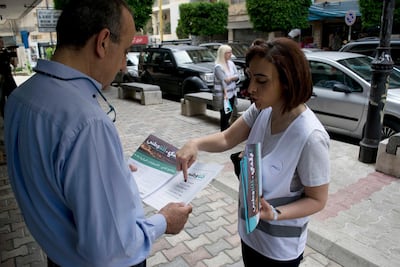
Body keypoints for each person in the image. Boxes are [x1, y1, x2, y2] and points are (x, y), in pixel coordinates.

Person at [4, 1, 192, 266]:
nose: (124, 66)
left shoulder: (20, 97)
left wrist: (105, 168)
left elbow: (52, 171)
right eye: (125, 51)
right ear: (103, 42)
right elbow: (112, 249)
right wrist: (164, 221)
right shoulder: (87, 123)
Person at [176, 37, 330, 267]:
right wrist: (194, 143)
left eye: (262, 80)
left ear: (287, 82)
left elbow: (317, 199)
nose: (250, 89)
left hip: (279, 251)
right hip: (250, 235)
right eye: (250, 77)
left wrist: (275, 213)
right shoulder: (262, 110)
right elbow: (227, 137)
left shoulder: (311, 137)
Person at [213, 44, 239, 131]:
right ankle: (223, 133)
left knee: (229, 114)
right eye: (228, 52)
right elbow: (224, 81)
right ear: (222, 54)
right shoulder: (218, 66)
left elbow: (237, 76)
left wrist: (231, 78)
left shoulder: (231, 63)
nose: (230, 54)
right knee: (225, 116)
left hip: (232, 93)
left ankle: (225, 133)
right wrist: (232, 78)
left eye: (231, 52)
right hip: (224, 96)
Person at [0, 36, 18, 118]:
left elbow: (14, 64)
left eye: (2, 42)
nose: (2, 43)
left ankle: (14, 114)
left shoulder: (6, 52)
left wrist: (14, 54)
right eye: (0, 42)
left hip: (9, 78)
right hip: (0, 79)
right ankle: (5, 117)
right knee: (1, 100)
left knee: (15, 95)